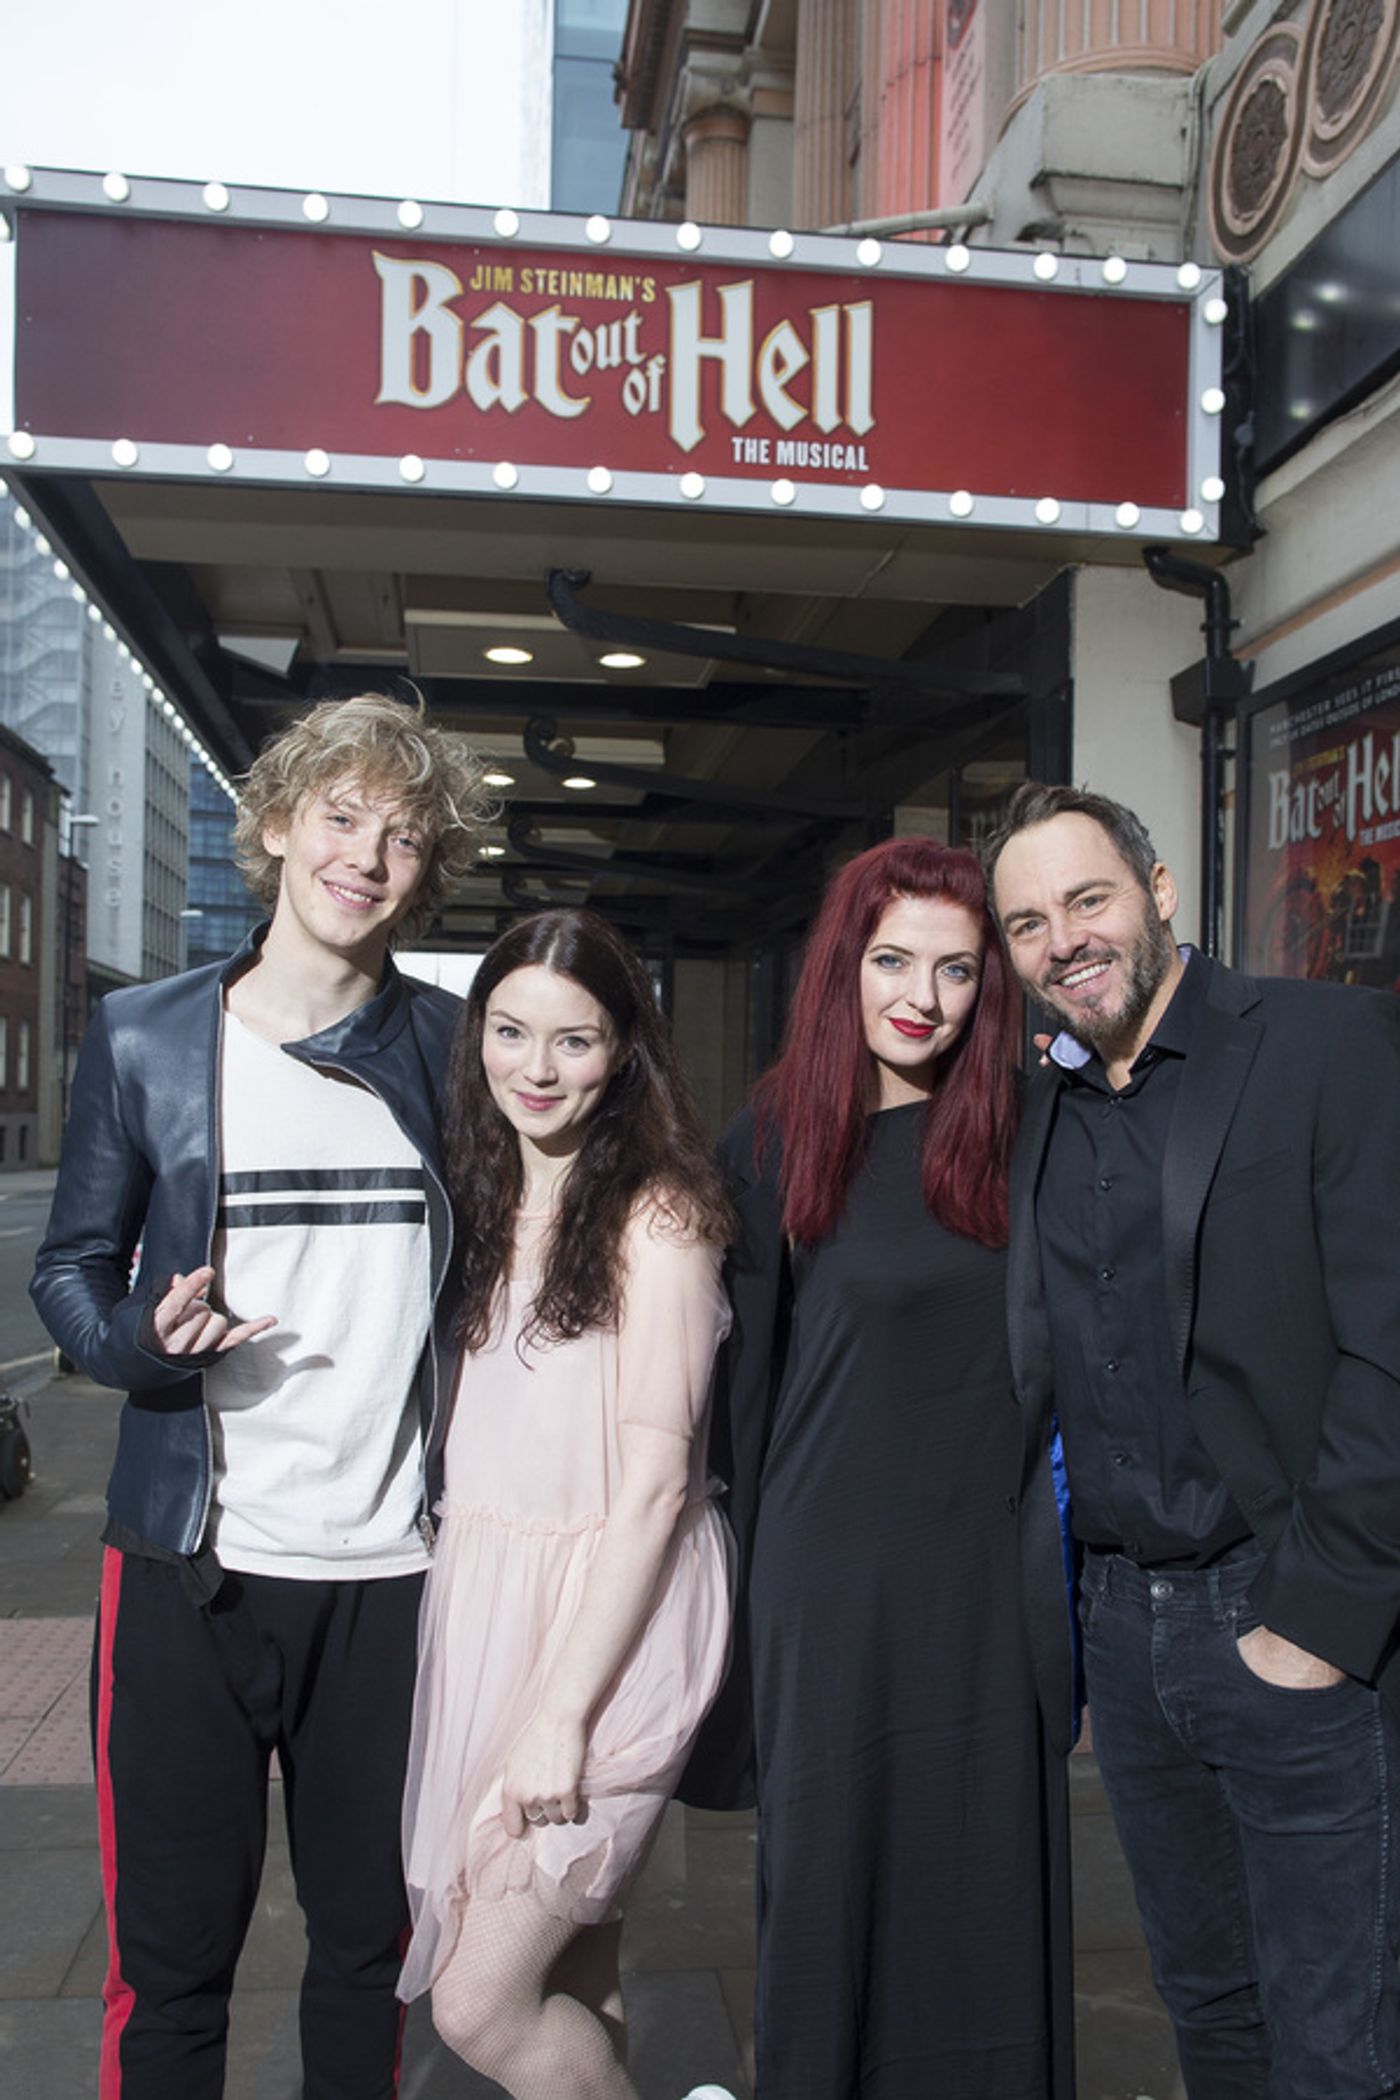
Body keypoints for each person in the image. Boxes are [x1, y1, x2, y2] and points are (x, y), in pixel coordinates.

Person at [31, 693, 487, 2100]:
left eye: (407, 836)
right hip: (189, 1572)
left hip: (400, 1576)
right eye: (343, 817)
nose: (370, 855)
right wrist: (143, 1344)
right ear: (278, 827)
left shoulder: (457, 1049)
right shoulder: (147, 1036)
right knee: (168, 1972)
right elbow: (69, 1272)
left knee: (371, 1951)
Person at [986, 779, 1400, 2100]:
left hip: (1282, 1609)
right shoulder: (1030, 1111)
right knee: (1207, 2010)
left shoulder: (1327, 1045)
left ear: (1159, 894)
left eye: (1089, 899)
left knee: (1338, 2034)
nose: (1066, 939)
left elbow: (1390, 1346)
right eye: (1029, 922)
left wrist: (1321, 1619)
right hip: (1120, 1625)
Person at [682, 837, 1075, 2100]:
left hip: (984, 1575)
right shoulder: (781, 1131)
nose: (922, 995)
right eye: (892, 959)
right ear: (841, 966)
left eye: (958, 970)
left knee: (981, 1885)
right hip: (829, 1574)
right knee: (828, 1882)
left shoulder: (1024, 1132)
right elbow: (722, 1388)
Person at [397, 907, 736, 2100]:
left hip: (610, 1625)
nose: (534, 1070)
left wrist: (561, 1714)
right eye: (508, 1031)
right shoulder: (485, 1201)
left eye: (574, 1041)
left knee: (478, 2001)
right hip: (494, 1605)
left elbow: (652, 1491)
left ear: (623, 1051)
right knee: (573, 1981)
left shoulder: (661, 1218)